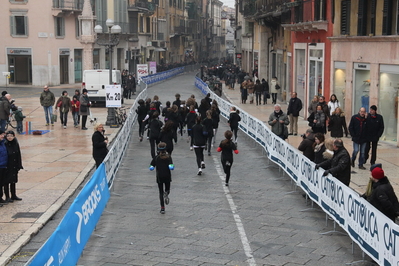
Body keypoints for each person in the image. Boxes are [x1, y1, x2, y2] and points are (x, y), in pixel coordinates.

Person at [149, 142, 174, 214]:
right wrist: (171, 166)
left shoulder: (156, 158)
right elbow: (171, 167)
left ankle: (162, 208)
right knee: (167, 189)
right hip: (167, 176)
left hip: (159, 176)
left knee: (160, 192)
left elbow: (151, 167)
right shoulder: (168, 157)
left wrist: (151, 167)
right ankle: (166, 193)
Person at [4, 131, 23, 202]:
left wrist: (19, 165)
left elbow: (18, 154)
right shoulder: (5, 143)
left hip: (14, 165)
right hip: (7, 165)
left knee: (13, 181)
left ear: (14, 136)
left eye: (11, 136)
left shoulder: (15, 143)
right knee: (6, 181)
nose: (9, 137)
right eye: (8, 136)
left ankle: (13, 195)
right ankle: (7, 196)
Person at [0, 130, 7, 205]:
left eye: (3, 134)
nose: (2, 136)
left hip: (3, 166)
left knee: (1, 183)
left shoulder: (3, 143)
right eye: (1, 135)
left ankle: (0, 198)